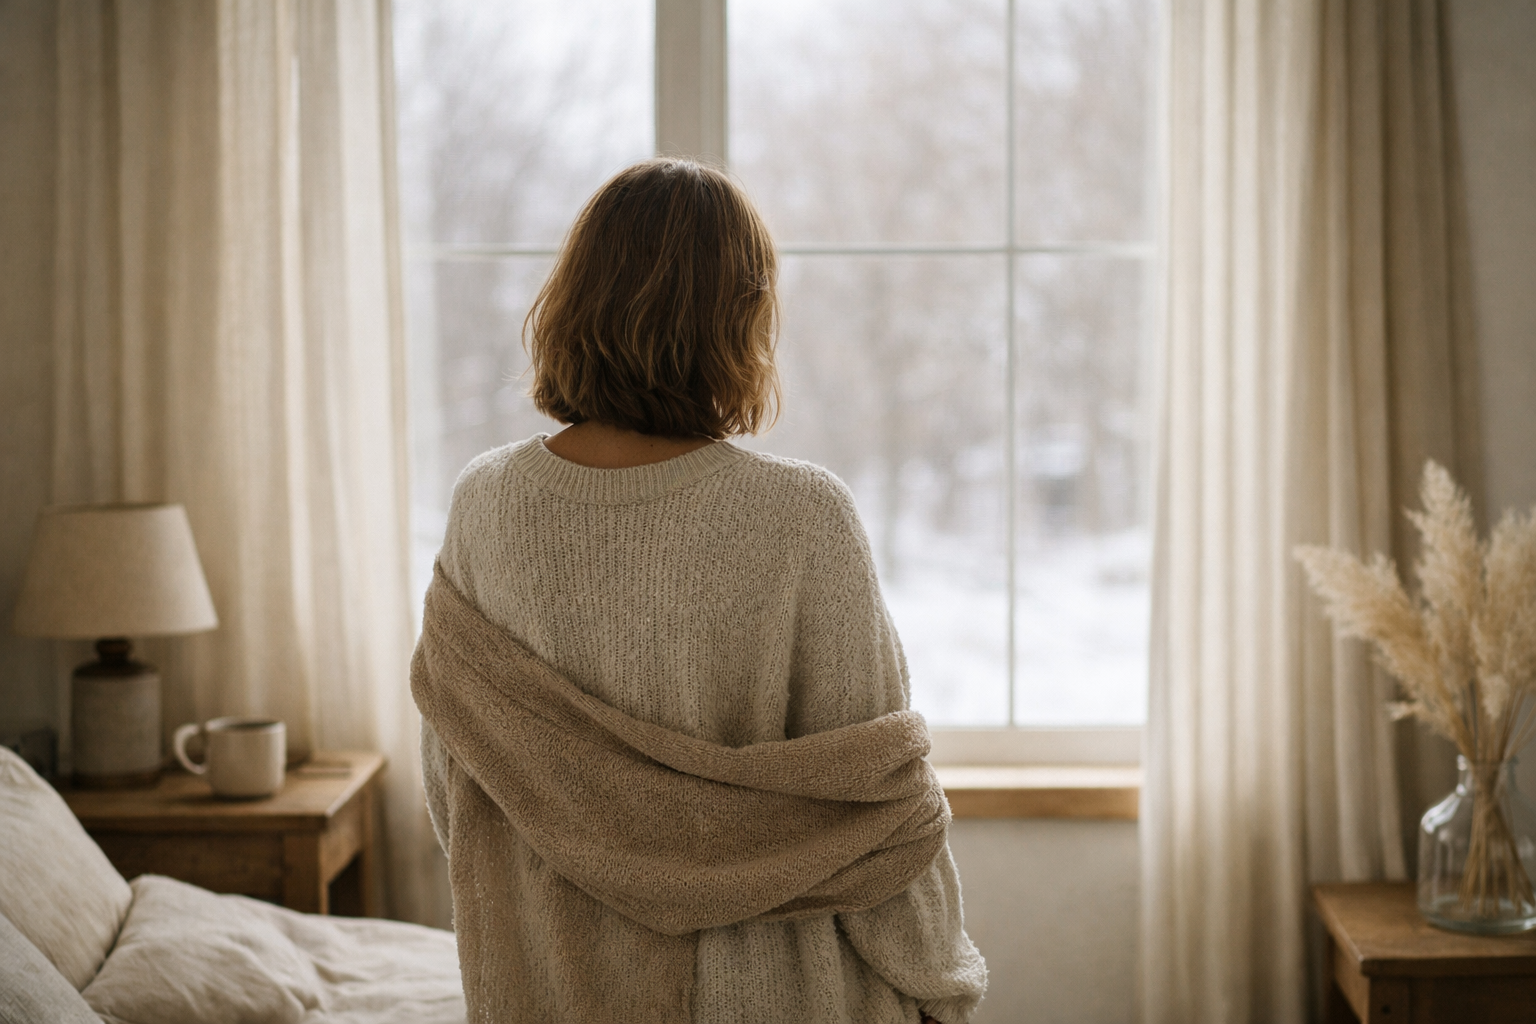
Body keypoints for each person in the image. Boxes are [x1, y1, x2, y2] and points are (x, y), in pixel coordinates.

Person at [414, 158, 986, 1024]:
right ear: (741, 319)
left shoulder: (484, 504)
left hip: (552, 991)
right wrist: (941, 982)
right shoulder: (802, 515)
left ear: (571, 300)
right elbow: (880, 809)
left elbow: (455, 782)